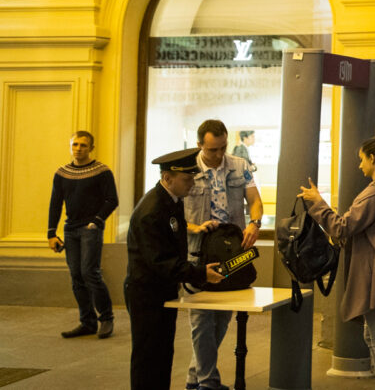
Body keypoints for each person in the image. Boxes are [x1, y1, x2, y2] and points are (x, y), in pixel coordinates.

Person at [298, 136, 375, 390]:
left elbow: (341, 228)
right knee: (372, 338)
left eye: (362, 159)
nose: (360, 165)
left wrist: (318, 203)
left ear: (373, 159)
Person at [125, 149, 224, 390]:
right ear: (168, 178)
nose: (192, 184)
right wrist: (200, 273)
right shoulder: (152, 210)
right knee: (148, 358)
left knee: (162, 355)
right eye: (187, 179)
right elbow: (161, 261)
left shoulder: (171, 201)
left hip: (162, 290)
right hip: (146, 293)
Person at [183, 119, 264, 390]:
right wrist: (194, 226)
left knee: (221, 319)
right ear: (199, 145)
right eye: (212, 150)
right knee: (201, 320)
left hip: (232, 251)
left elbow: (254, 199)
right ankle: (208, 382)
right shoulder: (186, 169)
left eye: (222, 148)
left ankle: (195, 378)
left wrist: (255, 223)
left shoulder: (239, 166)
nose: (219, 155)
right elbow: (169, 213)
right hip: (198, 253)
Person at [47, 130, 118, 339]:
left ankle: (106, 318)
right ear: (70, 147)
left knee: (90, 273)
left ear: (91, 148)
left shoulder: (101, 171)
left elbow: (111, 200)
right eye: (75, 145)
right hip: (70, 229)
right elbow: (55, 203)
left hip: (90, 229)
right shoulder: (62, 173)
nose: (78, 149)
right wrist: (51, 232)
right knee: (76, 276)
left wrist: (96, 221)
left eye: (83, 145)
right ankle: (87, 321)